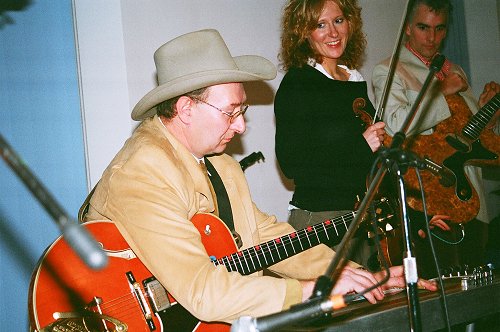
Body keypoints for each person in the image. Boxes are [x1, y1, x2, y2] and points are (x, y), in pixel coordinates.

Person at [81, 29, 435, 326]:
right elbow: (205, 292)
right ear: (186, 108)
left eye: (243, 110)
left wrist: (358, 275)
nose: (241, 126)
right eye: (231, 111)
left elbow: (268, 237)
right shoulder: (141, 174)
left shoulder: (222, 166)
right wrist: (316, 289)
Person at [372, 0, 500, 278]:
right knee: (445, 303)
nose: (431, 38)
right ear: (407, 28)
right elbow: (395, 125)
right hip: (433, 208)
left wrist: (488, 117)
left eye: (439, 29)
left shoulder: (453, 69)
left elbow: (466, 140)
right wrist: (443, 91)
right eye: (423, 27)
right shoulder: (390, 70)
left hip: (474, 203)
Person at [274, 0, 387, 270]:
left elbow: (371, 163)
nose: (333, 33)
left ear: (350, 23)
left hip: (361, 220)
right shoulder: (299, 83)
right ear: (304, 33)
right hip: (322, 222)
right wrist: (360, 146)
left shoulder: (353, 81)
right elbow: (292, 163)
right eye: (320, 25)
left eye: (338, 21)